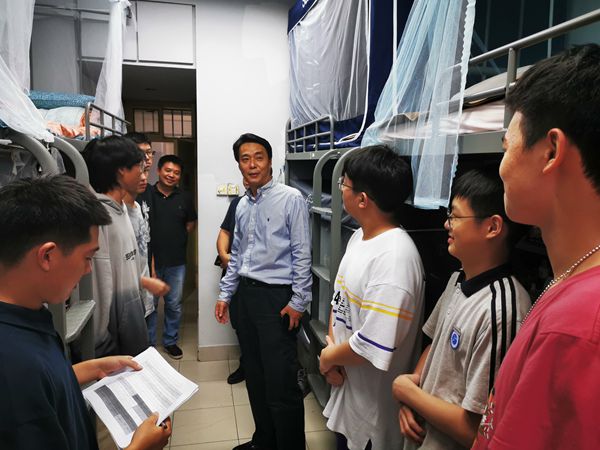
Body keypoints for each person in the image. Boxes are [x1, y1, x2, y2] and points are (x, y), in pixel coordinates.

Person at [472, 44, 600, 449]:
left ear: (550, 152)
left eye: (506, 147)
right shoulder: (574, 284)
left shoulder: (577, 327)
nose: (501, 166)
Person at [0, 175, 171, 449]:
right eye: (87, 258)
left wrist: (91, 368)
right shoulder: (14, 367)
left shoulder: (28, 314)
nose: (88, 270)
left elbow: (47, 385)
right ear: (47, 256)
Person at [392, 167, 531, 450]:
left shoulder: (502, 309)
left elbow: (477, 431)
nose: (447, 225)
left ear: (492, 227)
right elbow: (436, 343)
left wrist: (407, 392)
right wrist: (412, 392)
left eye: (455, 216)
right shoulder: (458, 278)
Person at [318, 145, 426, 450]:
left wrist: (328, 359)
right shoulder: (360, 236)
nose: (341, 189)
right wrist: (333, 352)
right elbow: (340, 300)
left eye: (344, 183)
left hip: (373, 417)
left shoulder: (395, 259)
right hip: (348, 395)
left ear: (363, 199)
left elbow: (372, 345)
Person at [215, 133, 312, 450]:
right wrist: (225, 294)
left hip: (276, 300)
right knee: (255, 376)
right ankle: (264, 441)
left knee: (281, 381)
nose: (252, 164)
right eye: (245, 158)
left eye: (259, 157)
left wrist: (298, 301)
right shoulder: (241, 205)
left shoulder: (291, 198)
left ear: (270, 161)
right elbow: (238, 256)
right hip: (245, 298)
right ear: (239, 164)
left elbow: (302, 253)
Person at [83, 136, 164, 357]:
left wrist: (144, 281)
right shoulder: (99, 218)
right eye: (139, 166)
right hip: (109, 343)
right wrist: (103, 344)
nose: (144, 173)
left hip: (129, 327)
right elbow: (100, 287)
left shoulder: (123, 209)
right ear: (121, 171)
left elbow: (122, 267)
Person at [144, 155, 197, 359]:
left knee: (174, 304)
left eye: (176, 173)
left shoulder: (185, 197)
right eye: (168, 170)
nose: (171, 175)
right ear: (158, 171)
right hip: (150, 261)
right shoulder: (146, 193)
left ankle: (170, 341)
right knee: (150, 305)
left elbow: (190, 224)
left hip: (176, 261)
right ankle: (149, 345)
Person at [124, 166, 169, 319]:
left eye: (145, 171)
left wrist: (151, 270)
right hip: (127, 299)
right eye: (139, 172)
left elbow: (144, 246)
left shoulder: (138, 208)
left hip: (142, 291)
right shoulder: (115, 214)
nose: (144, 178)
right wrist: (145, 282)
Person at [216, 178, 249, 385]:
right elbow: (225, 232)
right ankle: (246, 364)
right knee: (240, 323)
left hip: (259, 280)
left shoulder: (280, 203)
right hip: (235, 276)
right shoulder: (237, 203)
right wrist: (224, 255)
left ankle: (258, 367)